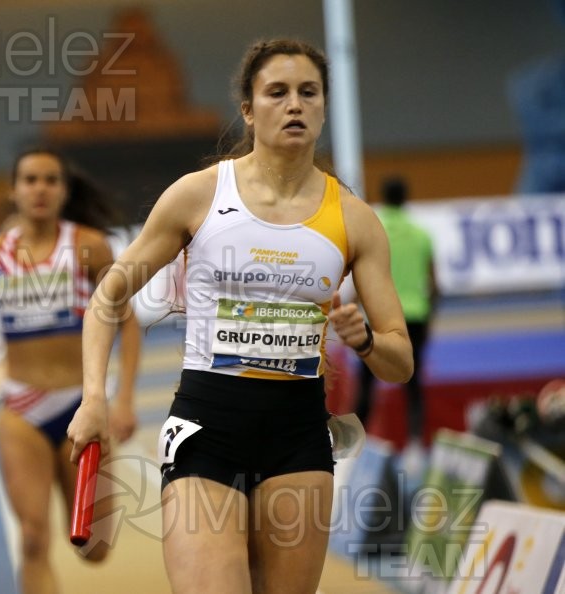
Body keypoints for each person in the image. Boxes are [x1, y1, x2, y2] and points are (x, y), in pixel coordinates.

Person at [68, 39, 413, 594]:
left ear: (324, 107)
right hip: (208, 432)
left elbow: (400, 363)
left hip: (298, 439)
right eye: (277, 93)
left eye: (308, 92)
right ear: (250, 111)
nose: (294, 105)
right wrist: (93, 398)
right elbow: (107, 298)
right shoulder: (199, 195)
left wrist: (368, 340)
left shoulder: (355, 220)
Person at [0, 147, 141, 594]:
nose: (40, 189)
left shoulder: (88, 246)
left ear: (64, 191)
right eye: (30, 180)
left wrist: (121, 399)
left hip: (81, 409)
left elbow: (127, 321)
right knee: (31, 538)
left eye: (50, 180)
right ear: (13, 189)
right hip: (20, 409)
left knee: (96, 547)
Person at [355, 176, 436, 448]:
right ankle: (415, 442)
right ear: (406, 198)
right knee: (412, 383)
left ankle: (356, 446)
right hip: (415, 315)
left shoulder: (374, 230)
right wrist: (428, 318)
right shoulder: (422, 234)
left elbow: (362, 277)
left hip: (376, 316)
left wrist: (355, 308)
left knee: (366, 382)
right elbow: (435, 284)